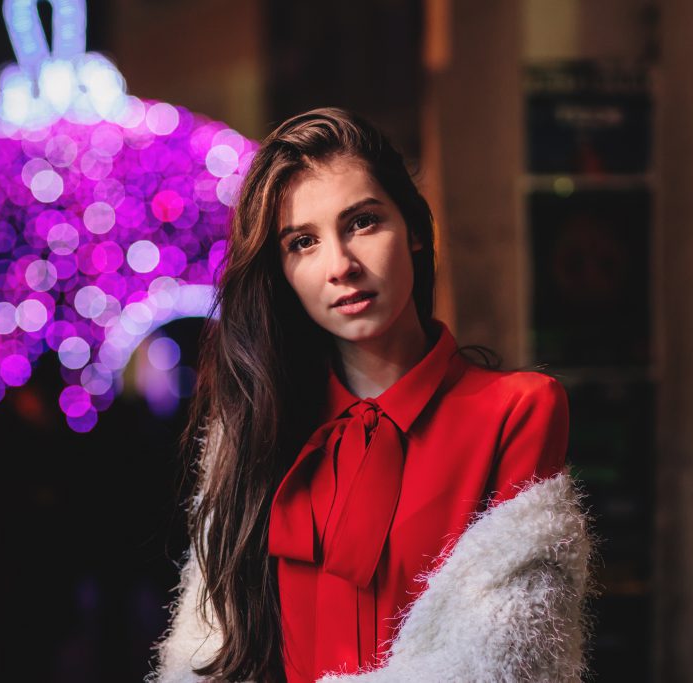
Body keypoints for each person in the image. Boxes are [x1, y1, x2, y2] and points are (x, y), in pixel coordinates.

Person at [147, 108, 593, 683]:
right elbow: (214, 646)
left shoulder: (516, 411)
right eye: (303, 242)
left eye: (362, 222)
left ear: (414, 230)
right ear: (281, 272)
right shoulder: (261, 428)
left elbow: (510, 659)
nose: (340, 266)